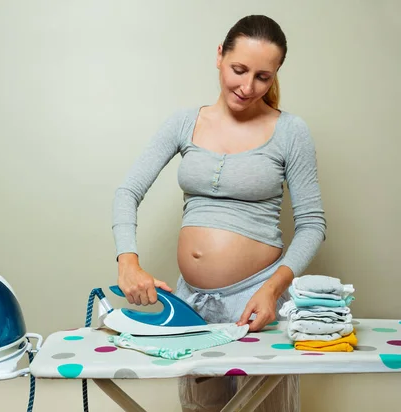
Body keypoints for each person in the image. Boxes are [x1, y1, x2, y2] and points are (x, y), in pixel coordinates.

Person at [111, 14, 326, 412]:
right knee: (201, 408)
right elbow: (128, 191)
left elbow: (312, 224)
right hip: (191, 304)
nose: (247, 87)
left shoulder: (291, 131)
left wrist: (272, 290)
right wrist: (128, 262)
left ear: (276, 74)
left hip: (257, 301)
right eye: (238, 70)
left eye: (263, 77)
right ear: (219, 57)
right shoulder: (183, 122)